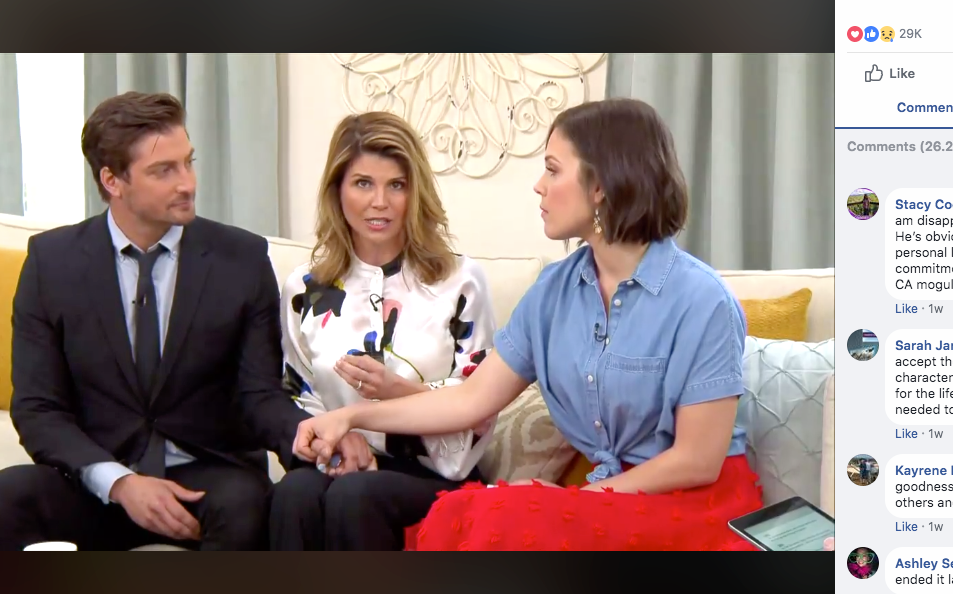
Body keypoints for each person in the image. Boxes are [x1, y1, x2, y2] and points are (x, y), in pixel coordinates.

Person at [293, 98, 765, 551]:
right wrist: (350, 417)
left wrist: (577, 500)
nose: (539, 186)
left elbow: (697, 461)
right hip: (610, 499)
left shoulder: (703, 300)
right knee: (469, 512)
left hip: (693, 505)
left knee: (500, 515)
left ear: (601, 186)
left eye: (553, 170)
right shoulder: (553, 291)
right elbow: (469, 401)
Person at [0, 91, 333, 550]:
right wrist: (119, 482)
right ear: (113, 180)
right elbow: (38, 408)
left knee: (247, 505)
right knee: (10, 494)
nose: (187, 183)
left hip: (206, 480)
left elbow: (258, 395)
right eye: (164, 171)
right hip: (98, 479)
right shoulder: (51, 262)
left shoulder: (242, 259)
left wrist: (307, 439)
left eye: (188, 163)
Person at [268, 112, 496, 551]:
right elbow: (299, 392)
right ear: (337, 190)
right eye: (363, 183)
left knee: (355, 497)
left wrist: (399, 392)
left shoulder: (461, 281)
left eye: (397, 185)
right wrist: (340, 441)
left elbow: (480, 402)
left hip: (435, 473)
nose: (380, 202)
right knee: (292, 494)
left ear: (416, 192)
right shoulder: (305, 288)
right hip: (341, 461)